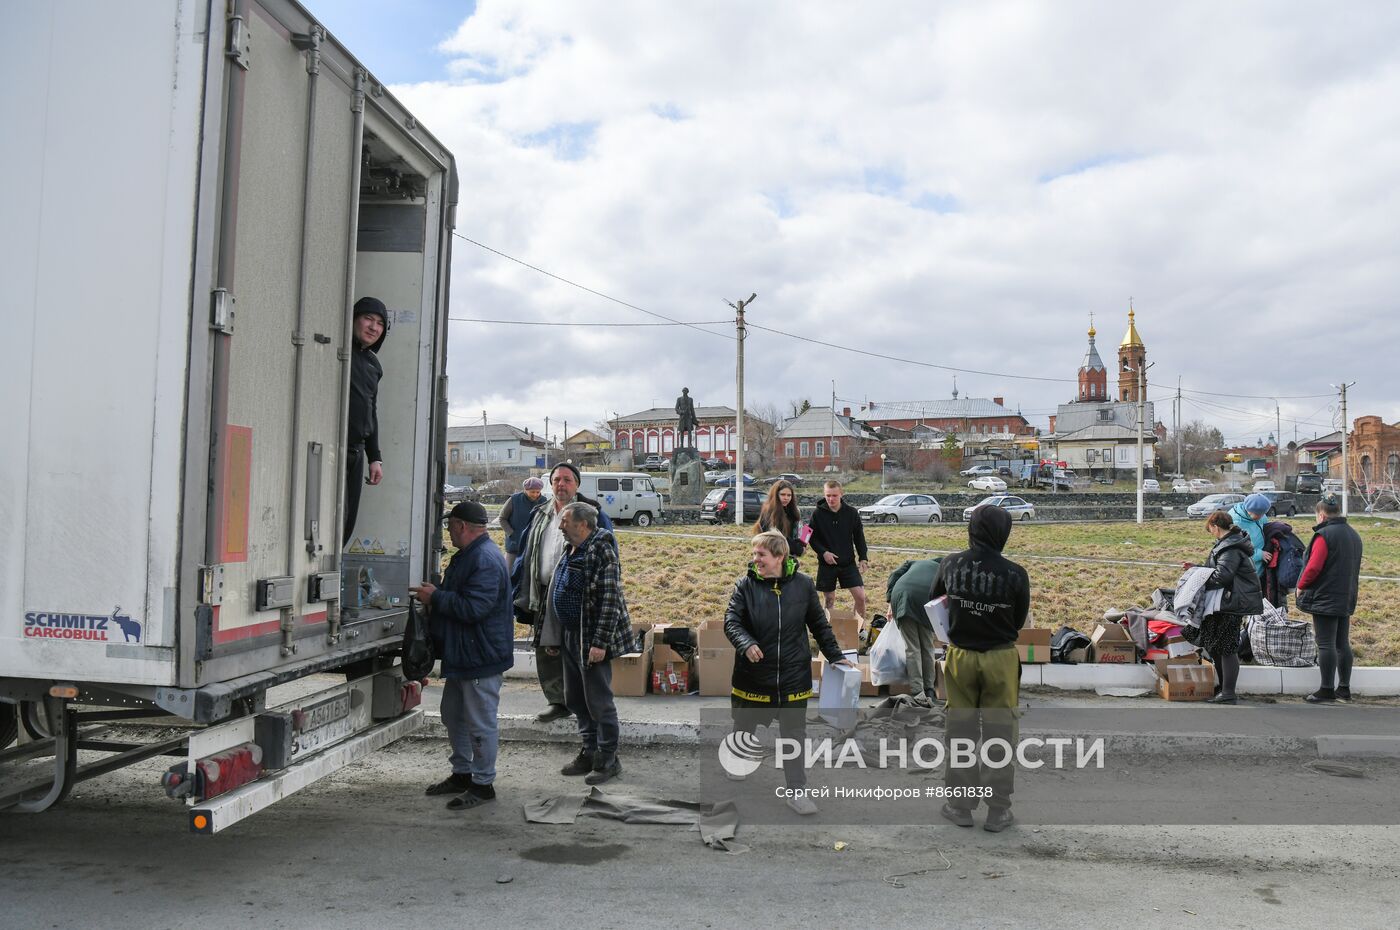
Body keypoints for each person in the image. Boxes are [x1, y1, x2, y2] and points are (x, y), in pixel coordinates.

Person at [724, 530, 852, 816]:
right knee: (745, 724)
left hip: (793, 676)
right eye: (754, 554)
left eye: (761, 555)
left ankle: (797, 792)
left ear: (780, 557)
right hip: (754, 674)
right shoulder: (745, 585)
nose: (755, 559)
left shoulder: (804, 585)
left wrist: (836, 657)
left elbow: (819, 625)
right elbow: (732, 622)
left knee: (793, 736)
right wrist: (746, 643)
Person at [929, 505, 1029, 833]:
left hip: (959, 657)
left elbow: (935, 605)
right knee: (1000, 732)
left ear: (972, 528)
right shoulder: (1015, 574)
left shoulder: (950, 564)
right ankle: (998, 810)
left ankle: (959, 805)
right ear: (1004, 532)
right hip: (1000, 658)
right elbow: (1017, 621)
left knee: (960, 730)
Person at [409, 501, 514, 811]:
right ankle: (462, 773)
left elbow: (474, 608)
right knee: (453, 715)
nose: (448, 532)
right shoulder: (472, 555)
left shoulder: (483, 559)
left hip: (480, 655)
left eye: (450, 526)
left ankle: (483, 785)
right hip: (466, 653)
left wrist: (436, 597)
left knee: (480, 723)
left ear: (461, 527)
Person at [511, 463, 616, 723]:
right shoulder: (541, 513)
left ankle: (584, 702)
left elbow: (609, 551)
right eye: (556, 479)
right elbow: (526, 549)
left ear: (577, 484)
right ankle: (557, 701)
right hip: (543, 590)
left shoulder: (591, 513)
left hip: (579, 594)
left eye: (567, 480)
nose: (561, 484)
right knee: (546, 647)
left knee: (575, 649)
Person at [553, 502, 639, 785]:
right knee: (575, 698)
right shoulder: (572, 548)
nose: (560, 525)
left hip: (591, 637)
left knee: (598, 701)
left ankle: (607, 757)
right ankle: (589, 751)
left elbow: (610, 600)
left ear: (584, 524)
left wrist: (599, 642)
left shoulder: (601, 548)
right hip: (570, 634)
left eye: (565, 520)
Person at [1191, 510, 1264, 705]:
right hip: (1227, 601)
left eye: (1211, 529)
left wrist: (1198, 578)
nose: (1211, 533)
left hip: (1231, 602)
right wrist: (1196, 567)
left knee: (1227, 648)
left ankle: (1228, 692)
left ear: (1215, 527)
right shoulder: (1229, 544)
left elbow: (1222, 576)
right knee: (1217, 646)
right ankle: (1224, 688)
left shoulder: (1230, 548)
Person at [1295, 494, 1364, 704]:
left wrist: (1301, 586)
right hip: (1346, 595)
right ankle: (1344, 689)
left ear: (1322, 515)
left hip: (1325, 596)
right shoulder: (1353, 534)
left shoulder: (1324, 535)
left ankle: (1326, 690)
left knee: (1325, 643)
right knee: (1342, 643)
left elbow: (1314, 566)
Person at [344, 297, 389, 545]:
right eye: (368, 319)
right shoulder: (340, 352)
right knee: (335, 516)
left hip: (357, 452)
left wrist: (375, 457)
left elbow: (371, 411)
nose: (374, 327)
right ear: (353, 319)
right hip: (335, 448)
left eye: (380, 323)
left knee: (348, 522)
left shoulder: (373, 364)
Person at [807, 480, 870, 623]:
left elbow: (859, 537)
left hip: (848, 563)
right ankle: (827, 631)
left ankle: (858, 629)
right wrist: (824, 553)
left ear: (841, 494)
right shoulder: (817, 514)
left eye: (834, 495)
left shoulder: (851, 513)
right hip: (826, 564)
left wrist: (863, 558)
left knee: (860, 597)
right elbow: (811, 537)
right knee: (829, 599)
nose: (831, 499)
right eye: (828, 495)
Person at [885, 557, 943, 707]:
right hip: (926, 600)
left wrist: (890, 598)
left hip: (902, 596)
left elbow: (893, 575)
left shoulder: (912, 563)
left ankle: (918, 692)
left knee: (912, 648)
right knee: (927, 646)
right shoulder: (944, 569)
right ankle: (928, 689)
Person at [499, 477, 545, 572]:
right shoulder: (514, 500)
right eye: (532, 492)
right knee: (508, 572)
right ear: (525, 490)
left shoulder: (543, 501)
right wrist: (511, 533)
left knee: (527, 575)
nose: (535, 495)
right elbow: (502, 519)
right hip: (515, 544)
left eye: (538, 492)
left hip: (533, 545)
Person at [754, 480, 806, 559]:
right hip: (774, 556)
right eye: (783, 494)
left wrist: (802, 543)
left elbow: (797, 532)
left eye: (789, 495)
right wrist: (798, 549)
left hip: (789, 556)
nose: (786, 498)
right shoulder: (769, 512)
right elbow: (776, 538)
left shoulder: (792, 511)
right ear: (775, 495)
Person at [1228, 493, 1272, 577]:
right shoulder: (1236, 523)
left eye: (1264, 513)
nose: (1262, 517)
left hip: (1259, 567)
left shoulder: (1259, 515)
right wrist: (1259, 554)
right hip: (1245, 572)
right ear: (1249, 510)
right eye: (1259, 514)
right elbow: (1235, 550)